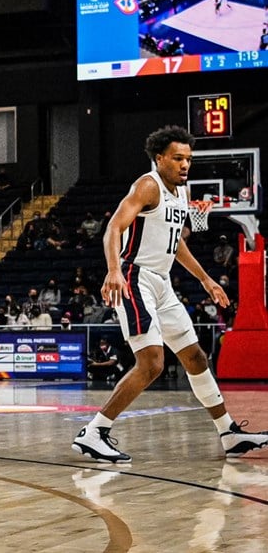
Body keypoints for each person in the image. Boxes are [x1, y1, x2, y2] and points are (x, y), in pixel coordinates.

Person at [72, 126, 268, 463]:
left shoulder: (181, 192)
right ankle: (95, 431)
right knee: (152, 364)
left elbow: (176, 244)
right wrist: (114, 269)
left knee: (195, 357)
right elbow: (114, 228)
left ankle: (229, 433)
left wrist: (207, 279)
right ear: (159, 158)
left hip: (162, 282)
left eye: (188, 159)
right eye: (178, 158)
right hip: (135, 277)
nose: (185, 164)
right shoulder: (147, 185)